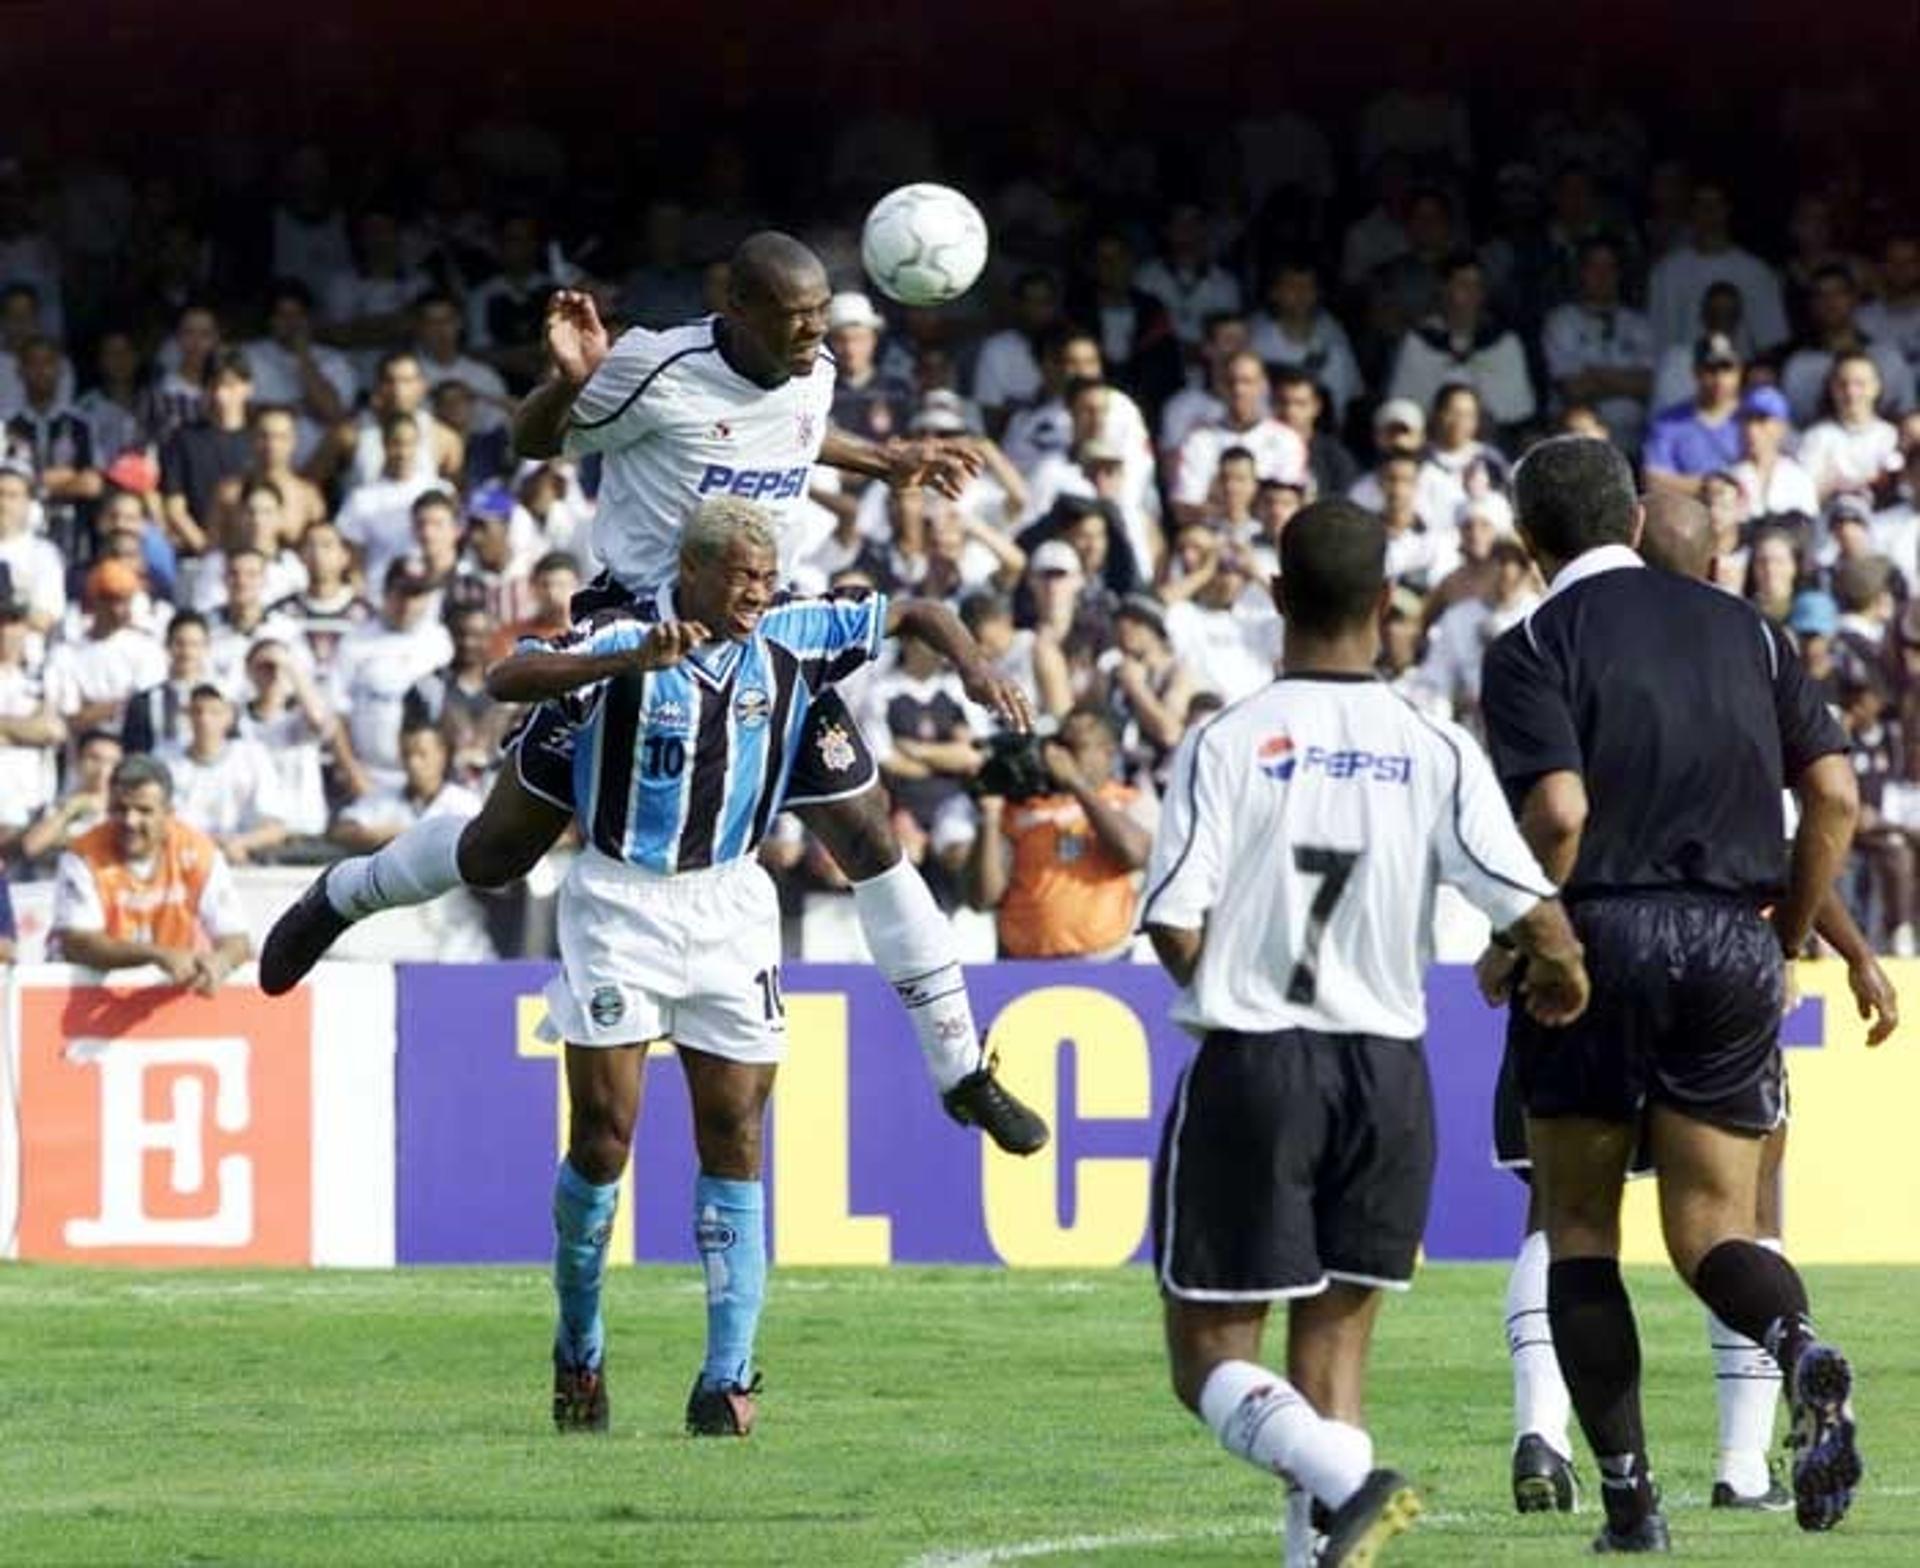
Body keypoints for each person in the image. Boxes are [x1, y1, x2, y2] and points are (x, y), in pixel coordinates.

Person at [261, 231, 1048, 1154]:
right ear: (738, 313)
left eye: (820, 318)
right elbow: (530, 440)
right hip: (635, 637)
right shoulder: (653, 367)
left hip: (756, 629)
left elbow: (789, 435)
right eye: (796, 319)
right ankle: (347, 894)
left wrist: (888, 460)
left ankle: (961, 1072)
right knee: (499, 850)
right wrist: (565, 382)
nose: (814, 334)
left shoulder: (814, 369)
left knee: (868, 834)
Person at [479, 496, 1031, 1436]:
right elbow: (509, 675)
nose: (756, 593)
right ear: (690, 570)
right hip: (619, 899)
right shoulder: (625, 632)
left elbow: (918, 613)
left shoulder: (793, 632)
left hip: (731, 905)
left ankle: (726, 1376)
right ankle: (580, 1346)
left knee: (735, 1135)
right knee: (606, 1137)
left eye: (766, 578)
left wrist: (976, 669)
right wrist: (620, 660)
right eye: (741, 577)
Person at [1142, 497, 1589, 1568]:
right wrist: (1562, 971)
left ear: (1277, 597)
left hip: (1260, 1056)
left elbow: (1170, 915)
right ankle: (1329, 1533)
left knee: (1207, 1353)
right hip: (1388, 1073)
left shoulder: (1227, 740)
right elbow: (1532, 908)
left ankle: (1354, 1481)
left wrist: (1236, 981)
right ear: (1389, 605)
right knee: (1334, 1353)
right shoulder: (1432, 745)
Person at [1477, 436, 1866, 1549]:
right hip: (1732, 942)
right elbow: (1833, 795)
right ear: (1635, 524)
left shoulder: (1535, 640)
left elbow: (1556, 814)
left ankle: (1633, 1502)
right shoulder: (1748, 627)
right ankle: (1798, 1347)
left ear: (1526, 541)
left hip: (1596, 940)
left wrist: (1523, 932)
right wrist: (1788, 934)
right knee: (1712, 1229)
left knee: (1582, 1232)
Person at [48, 753, 252, 993]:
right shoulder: (83, 854)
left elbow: (237, 938)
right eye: (119, 809)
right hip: (86, 991)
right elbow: (79, 943)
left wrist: (221, 963)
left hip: (168, 990)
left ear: (169, 813)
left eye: (144, 810)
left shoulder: (200, 852)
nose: (130, 821)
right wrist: (157, 955)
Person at [967, 706, 1155, 959]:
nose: (1059, 755)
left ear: (1107, 752)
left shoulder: (1128, 801)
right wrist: (989, 815)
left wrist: (1076, 784)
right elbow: (982, 898)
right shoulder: (1021, 809)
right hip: (1022, 966)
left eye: (1074, 745)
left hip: (1105, 964)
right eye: (1057, 744)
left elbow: (1134, 854)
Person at [1643, 333, 1745, 495]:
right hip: (1690, 514)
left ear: (1739, 372)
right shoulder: (1668, 422)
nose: (1719, 378)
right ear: (1695, 372)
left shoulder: (1757, 418)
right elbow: (1653, 480)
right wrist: (1710, 487)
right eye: (1710, 369)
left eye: (1726, 368)